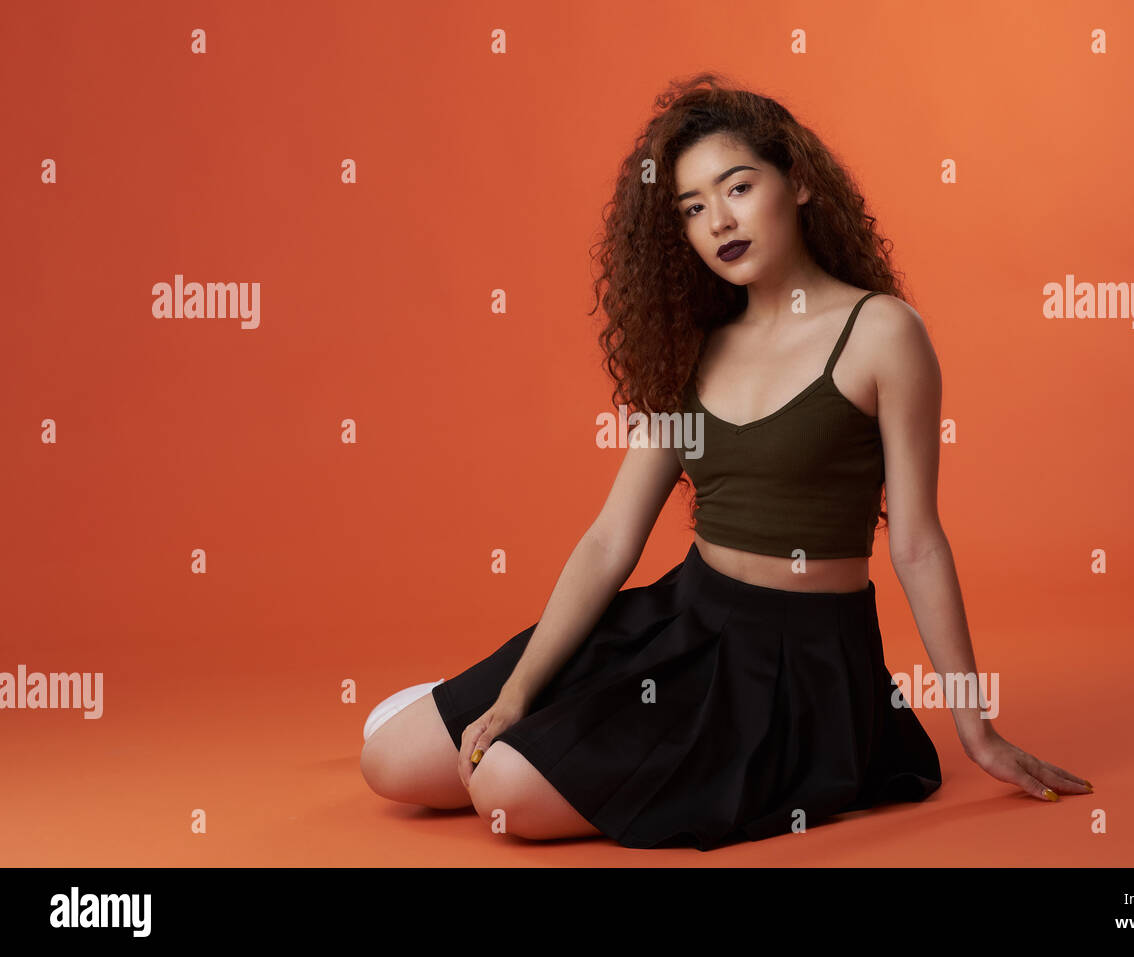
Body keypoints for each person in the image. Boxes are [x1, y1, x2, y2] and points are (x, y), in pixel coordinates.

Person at [359, 72, 1091, 851]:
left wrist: (976, 730)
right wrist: (516, 691)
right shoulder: (695, 345)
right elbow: (611, 540)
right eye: (693, 208)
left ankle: (522, 733)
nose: (719, 221)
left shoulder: (883, 333)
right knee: (390, 763)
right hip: (682, 617)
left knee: (502, 793)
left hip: (790, 662)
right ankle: (475, 705)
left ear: (799, 181)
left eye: (737, 187)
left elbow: (915, 542)